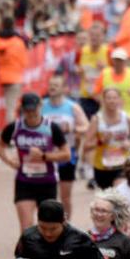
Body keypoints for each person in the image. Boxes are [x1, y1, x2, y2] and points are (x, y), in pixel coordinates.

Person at [0, 92, 72, 231]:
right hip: (24, 182)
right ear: (22, 109)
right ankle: (27, 253)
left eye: (34, 109)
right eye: (27, 110)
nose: (30, 113)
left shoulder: (51, 127)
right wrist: (9, 161)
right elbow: (0, 145)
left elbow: (66, 154)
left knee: (48, 227)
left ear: (40, 106)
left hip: (47, 182)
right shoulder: (15, 127)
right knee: (27, 227)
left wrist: (44, 156)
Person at [41, 74, 89, 219]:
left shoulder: (72, 107)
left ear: (64, 88)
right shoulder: (41, 105)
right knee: (47, 196)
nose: (52, 87)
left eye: (56, 85)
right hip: (46, 156)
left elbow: (86, 127)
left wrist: (72, 129)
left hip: (67, 155)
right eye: (50, 84)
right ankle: (47, 225)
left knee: (65, 196)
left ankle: (66, 226)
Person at [83, 87, 130, 190]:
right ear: (103, 100)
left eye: (115, 98)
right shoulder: (96, 120)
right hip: (102, 167)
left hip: (123, 165)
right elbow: (86, 146)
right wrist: (101, 142)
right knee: (108, 200)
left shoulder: (126, 118)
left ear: (120, 100)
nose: (112, 101)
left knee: (119, 190)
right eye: (109, 98)